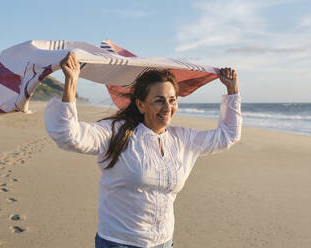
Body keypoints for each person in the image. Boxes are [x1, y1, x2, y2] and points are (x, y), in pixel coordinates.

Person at [44, 52, 242, 248]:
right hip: (119, 242)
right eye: (159, 100)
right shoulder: (116, 133)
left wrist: (232, 89)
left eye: (172, 100)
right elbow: (68, 135)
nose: (167, 107)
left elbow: (228, 136)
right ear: (140, 104)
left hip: (163, 243)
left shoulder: (183, 139)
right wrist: (71, 81)